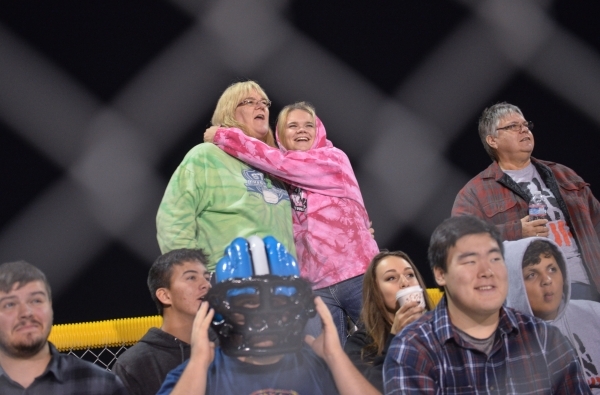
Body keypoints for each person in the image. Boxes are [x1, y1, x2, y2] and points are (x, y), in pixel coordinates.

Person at [204, 101, 379, 344]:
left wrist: (223, 136)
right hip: (314, 287)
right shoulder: (279, 178)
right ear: (280, 134)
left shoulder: (331, 158)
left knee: (380, 350)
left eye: (309, 125)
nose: (302, 131)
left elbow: (278, 162)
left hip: (357, 275)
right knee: (323, 365)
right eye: (293, 126)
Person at [383, 215, 591, 394]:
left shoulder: (546, 338)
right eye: (470, 261)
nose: (487, 272)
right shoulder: (412, 349)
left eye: (494, 259)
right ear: (440, 274)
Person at [157, 235, 381, 395]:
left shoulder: (321, 366)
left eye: (276, 302)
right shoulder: (199, 373)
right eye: (249, 302)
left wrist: (335, 357)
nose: (263, 315)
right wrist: (197, 365)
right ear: (223, 309)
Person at [452, 102, 600, 302]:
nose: (524, 130)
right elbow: (460, 242)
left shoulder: (564, 174)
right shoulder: (474, 192)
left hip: (589, 287)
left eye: (525, 125)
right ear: (492, 140)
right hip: (530, 300)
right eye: (513, 126)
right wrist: (516, 231)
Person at [156, 81, 296, 271]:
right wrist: (194, 276)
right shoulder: (206, 156)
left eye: (264, 102)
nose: (261, 106)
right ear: (229, 112)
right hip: (228, 282)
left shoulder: (278, 170)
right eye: (249, 101)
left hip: (287, 286)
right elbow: (173, 221)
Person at [0, 260, 127, 394]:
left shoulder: (102, 386)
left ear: (50, 307)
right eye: (10, 304)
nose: (26, 312)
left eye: (36, 300)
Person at [113, 248, 215, 395]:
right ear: (165, 296)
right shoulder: (135, 365)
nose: (206, 285)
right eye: (191, 278)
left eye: (207, 277)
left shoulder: (228, 344)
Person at [504, 238, 600, 393]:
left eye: (552, 269)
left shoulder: (594, 312)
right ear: (513, 285)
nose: (547, 280)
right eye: (532, 275)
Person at [344, 250, 434, 392]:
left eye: (410, 275)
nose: (405, 283)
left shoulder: (443, 329)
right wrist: (395, 339)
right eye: (391, 278)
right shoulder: (359, 344)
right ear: (376, 291)